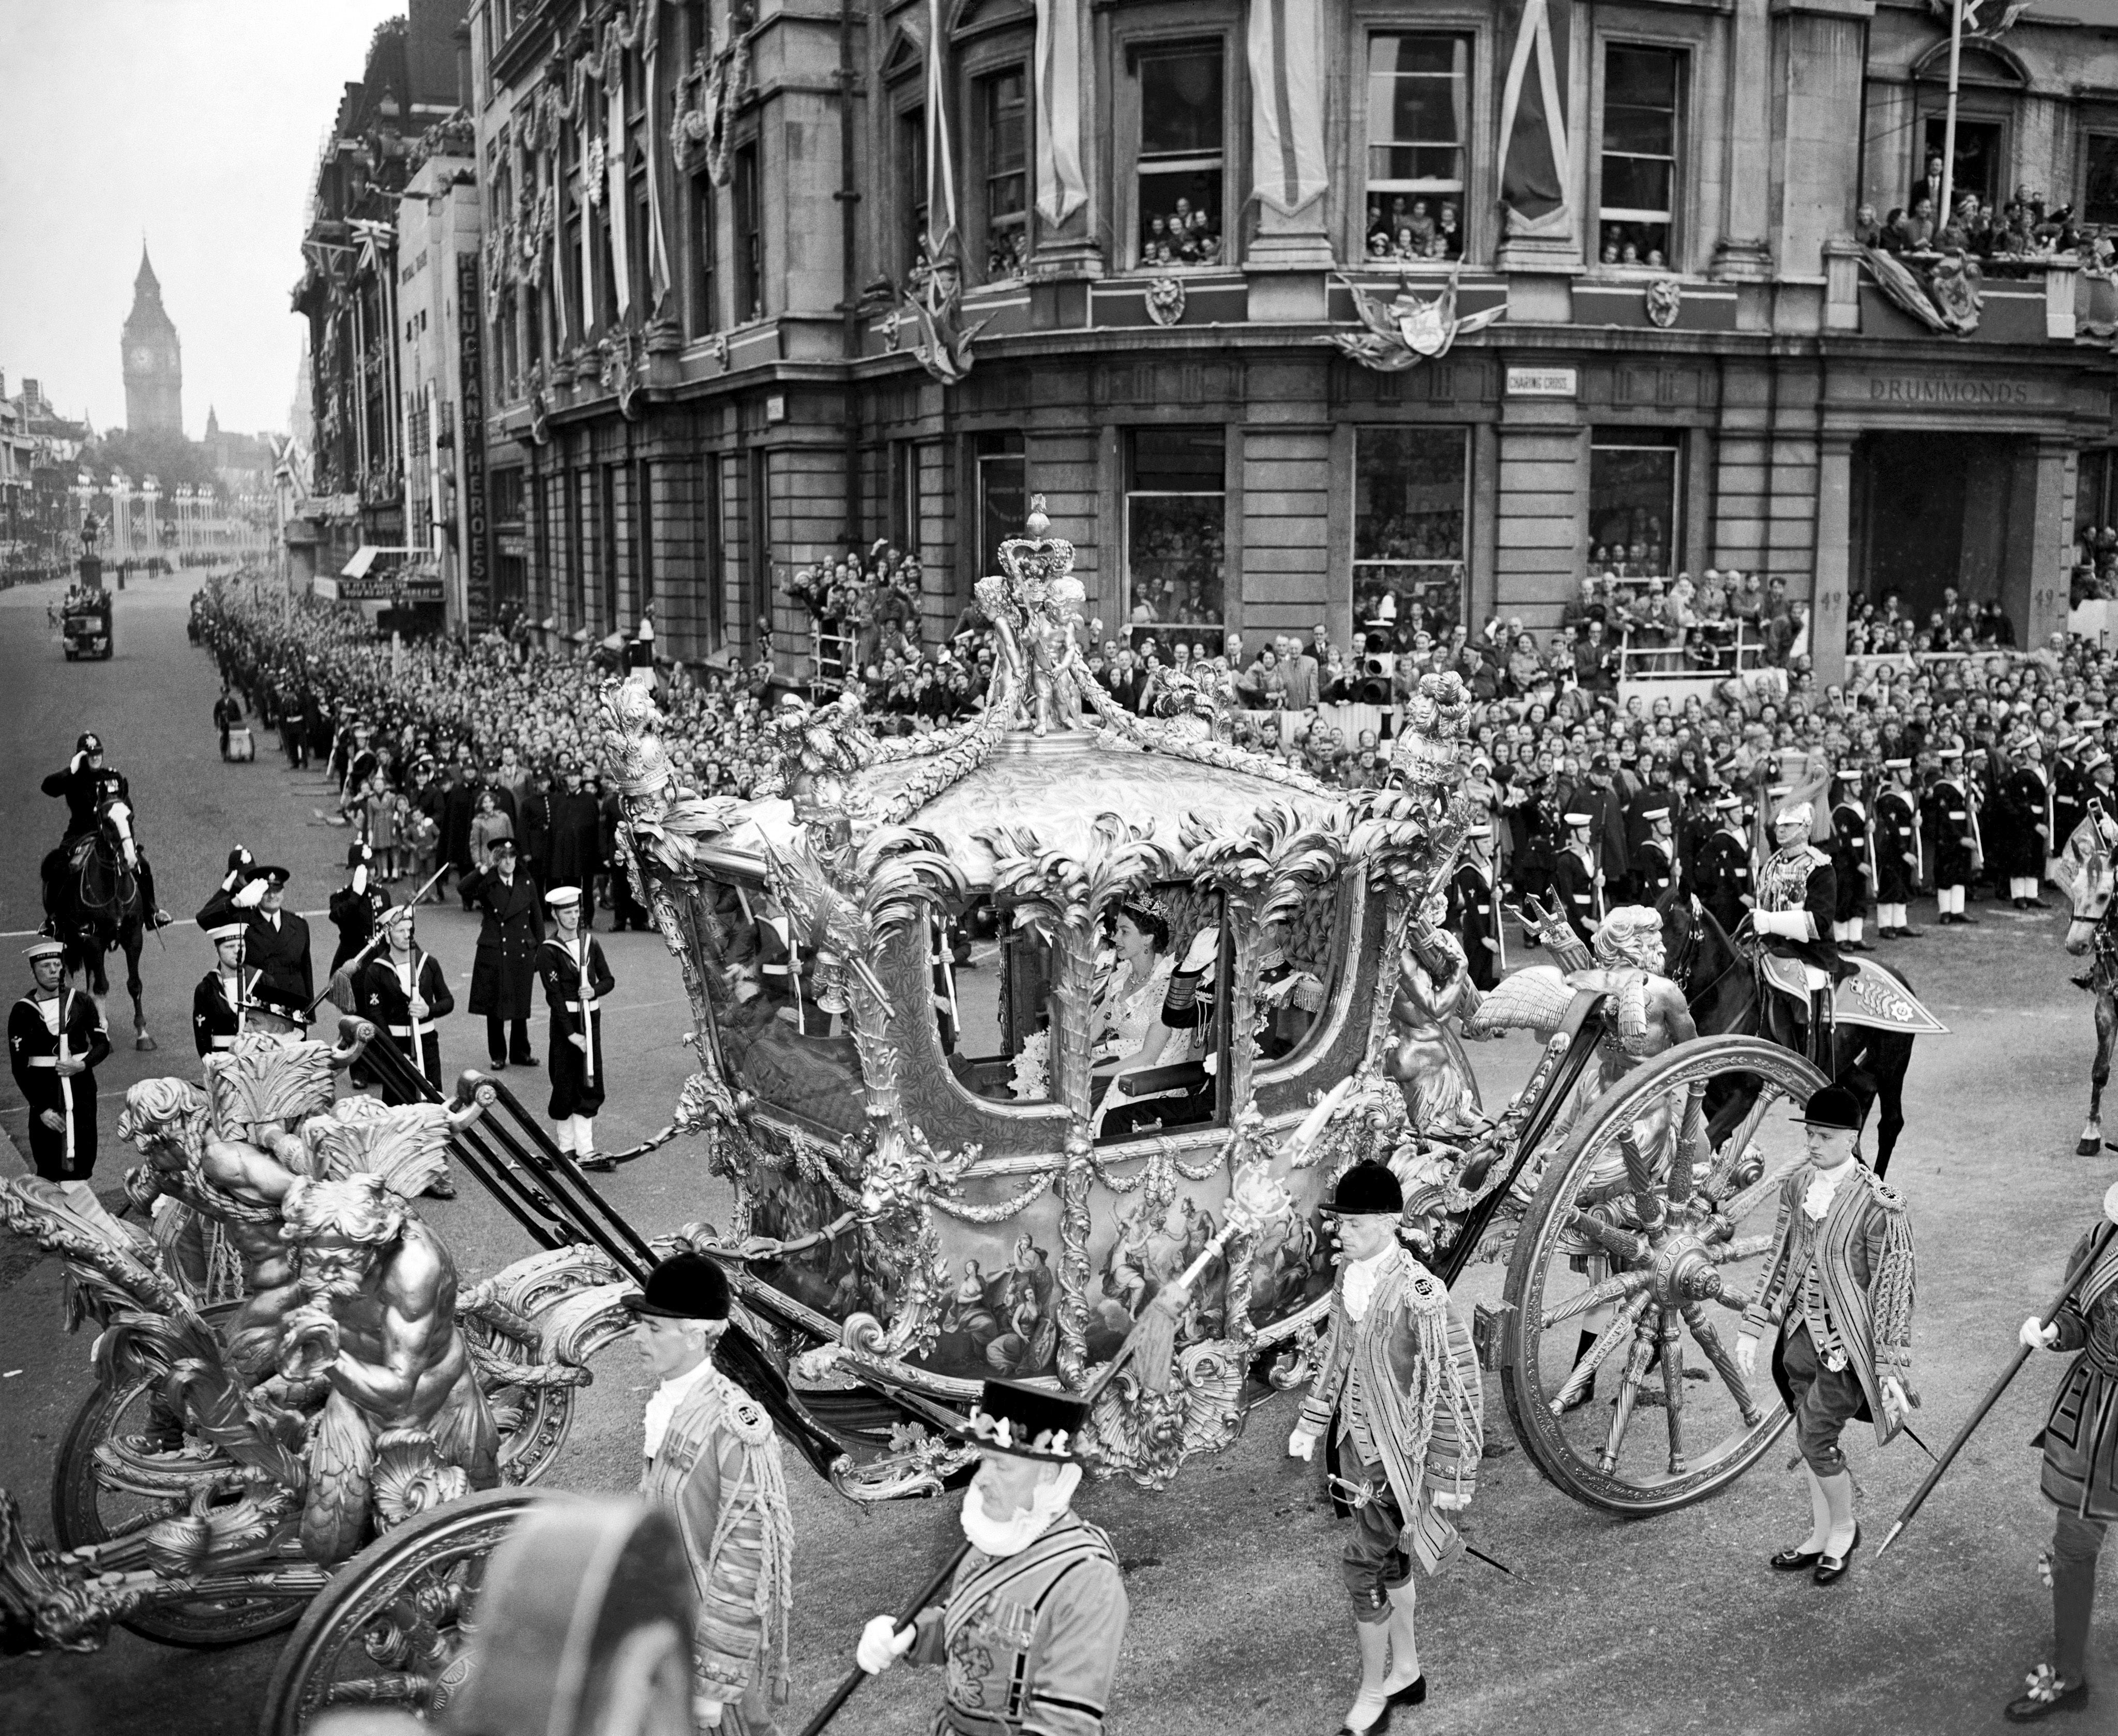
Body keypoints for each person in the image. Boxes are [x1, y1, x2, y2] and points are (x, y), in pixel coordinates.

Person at [1289, 1161, 1482, 1733]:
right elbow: (1336, 1356)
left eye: (1351, 1223)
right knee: (1393, 1557)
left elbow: (1456, 1384)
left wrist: (1450, 1477)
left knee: (1361, 1567)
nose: (1340, 1233)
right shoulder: (1350, 1275)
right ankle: (1408, 1670)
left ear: (1388, 1222)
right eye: (1339, 1223)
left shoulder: (1421, 1292)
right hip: (1354, 1448)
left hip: (1400, 1457)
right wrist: (1311, 1419)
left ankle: (1373, 1691)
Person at [854, 1377, 1128, 1736]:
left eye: (1000, 1466)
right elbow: (974, 1629)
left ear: (1047, 1472)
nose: (980, 1480)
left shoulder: (1090, 1581)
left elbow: (1063, 1727)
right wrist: (912, 1631)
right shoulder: (995, 1538)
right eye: (984, 1461)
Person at [1736, 1085, 1915, 1588]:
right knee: (1807, 1431)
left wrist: (1890, 1368)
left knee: (1815, 1435)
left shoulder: (1879, 1203)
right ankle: (1818, 1532)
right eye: (1810, 1134)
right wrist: (1753, 1323)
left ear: (1852, 1138)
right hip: (1799, 1334)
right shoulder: (1797, 1186)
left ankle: (1843, 1529)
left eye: (1825, 1135)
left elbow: (1892, 1289)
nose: (1813, 1143)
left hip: (1847, 1346)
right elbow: (1778, 1255)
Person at [625, 1251, 794, 1735]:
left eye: (655, 1329)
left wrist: (714, 1684)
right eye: (642, 1324)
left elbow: (746, 1563)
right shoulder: (669, 1406)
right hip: (669, 1640)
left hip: (709, 1659)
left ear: (698, 1335)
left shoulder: (733, 1426)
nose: (638, 1337)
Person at [2007, 1203, 2118, 1723]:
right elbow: (2076, 1309)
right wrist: (2054, 1330)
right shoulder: (2102, 1234)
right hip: (2096, 1410)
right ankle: (2068, 1673)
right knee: (2074, 1543)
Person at [1749, 799, 1848, 1065]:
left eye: (1788, 825)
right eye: (1779, 825)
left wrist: (1771, 922)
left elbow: (1819, 923)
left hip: (1810, 953)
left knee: (1807, 994)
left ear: (1805, 829)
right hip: (1771, 948)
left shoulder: (1821, 868)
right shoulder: (1771, 864)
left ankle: (1809, 1063)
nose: (1780, 830)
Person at [40, 730, 171, 926]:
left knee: (142, 864)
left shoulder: (113, 776)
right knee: (57, 868)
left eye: (99, 753)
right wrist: (70, 769)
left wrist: (128, 839)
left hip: (111, 833)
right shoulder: (73, 778)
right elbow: (48, 788)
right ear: (82, 756)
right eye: (90, 754)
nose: (96, 757)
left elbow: (127, 808)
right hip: (81, 833)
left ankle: (151, 911)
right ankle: (55, 920)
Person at [7, 936, 112, 1181]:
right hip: (45, 1092)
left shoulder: (81, 1002)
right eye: (46, 966)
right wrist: (41, 1108)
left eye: (57, 965)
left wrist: (82, 1064)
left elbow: (102, 1044)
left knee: (83, 1154)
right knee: (48, 1159)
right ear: (34, 971)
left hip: (80, 1089)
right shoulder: (23, 1011)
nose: (54, 971)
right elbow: (19, 1067)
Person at [537, 887, 615, 1168]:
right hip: (565, 1024)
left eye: (575, 911)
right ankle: (566, 1147)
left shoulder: (590, 944)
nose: (573, 917)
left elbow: (609, 980)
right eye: (567, 912)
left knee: (589, 1080)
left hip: (591, 1020)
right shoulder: (548, 952)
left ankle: (586, 1148)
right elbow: (554, 997)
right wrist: (572, 1035)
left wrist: (593, 991)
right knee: (564, 1081)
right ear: (555, 915)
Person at [195, 863, 314, 1029]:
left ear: (283, 891)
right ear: (258, 894)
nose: (272, 896)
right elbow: (204, 918)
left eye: (277, 891)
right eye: (266, 892)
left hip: (294, 1005)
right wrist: (235, 902)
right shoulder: (243, 921)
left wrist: (310, 1009)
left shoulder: (299, 924)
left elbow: (305, 969)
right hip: (260, 1007)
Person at [356, 904, 454, 1098]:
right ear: (387, 935)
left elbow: (448, 1001)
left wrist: (429, 1010)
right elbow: (375, 1015)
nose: (406, 935)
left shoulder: (428, 963)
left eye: (409, 929)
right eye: (400, 930)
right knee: (398, 1103)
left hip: (427, 1043)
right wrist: (396, 1053)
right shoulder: (376, 970)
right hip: (395, 1045)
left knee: (433, 1102)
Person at [462, 837, 542, 1068]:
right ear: (497, 860)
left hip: (521, 948)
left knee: (520, 1003)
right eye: (504, 858)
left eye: (513, 857)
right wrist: (484, 868)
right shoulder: (488, 881)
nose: (509, 862)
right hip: (495, 947)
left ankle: (521, 1053)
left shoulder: (526, 882)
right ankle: (498, 1055)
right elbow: (463, 889)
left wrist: (540, 949)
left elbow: (536, 917)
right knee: (494, 1005)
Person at [1926, 746, 1981, 925]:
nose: (1961, 766)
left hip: (1964, 829)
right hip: (1949, 836)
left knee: (1961, 872)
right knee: (1947, 873)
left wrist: (1975, 807)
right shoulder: (1941, 787)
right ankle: (1945, 911)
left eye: (1961, 763)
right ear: (1947, 767)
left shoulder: (1963, 784)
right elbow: (1943, 818)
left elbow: (1974, 803)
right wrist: (1959, 839)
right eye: (1956, 763)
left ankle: (1958, 910)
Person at [191, 921, 260, 1058]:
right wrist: (209, 1063)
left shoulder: (262, 981)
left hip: (257, 1057)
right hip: (222, 1058)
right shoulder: (207, 989)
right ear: (216, 951)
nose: (237, 951)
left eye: (241, 946)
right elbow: (202, 1035)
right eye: (229, 947)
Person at [1873, 759, 1923, 940]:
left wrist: (1917, 822)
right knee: (1890, 883)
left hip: (1908, 841)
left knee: (1903, 882)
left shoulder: (1909, 794)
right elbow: (1891, 826)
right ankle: (1885, 925)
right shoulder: (1887, 798)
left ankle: (1899, 922)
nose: (1910, 775)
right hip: (1892, 844)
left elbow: (1910, 818)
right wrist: (1903, 851)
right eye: (1906, 772)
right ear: (1895, 775)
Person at [328, 840, 395, 974]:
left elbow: (391, 924)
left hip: (379, 960)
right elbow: (338, 917)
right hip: (354, 960)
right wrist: (356, 895)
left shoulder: (382, 893)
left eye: (372, 867)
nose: (371, 873)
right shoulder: (341, 897)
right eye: (365, 868)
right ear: (353, 870)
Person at [1692, 792, 1754, 935]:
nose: (1741, 815)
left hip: (1738, 893)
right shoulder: (1721, 838)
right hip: (1729, 897)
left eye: (1741, 812)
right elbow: (1728, 868)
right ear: (1726, 816)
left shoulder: (1737, 835)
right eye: (1737, 812)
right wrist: (1741, 895)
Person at [1827, 775, 1874, 952]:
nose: (1860, 787)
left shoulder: (1860, 807)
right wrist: (1857, 863)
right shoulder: (1841, 811)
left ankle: (1855, 937)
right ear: (1846, 787)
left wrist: (1870, 828)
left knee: (1859, 898)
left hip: (1861, 856)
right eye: (1855, 784)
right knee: (1845, 898)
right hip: (1847, 860)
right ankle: (1841, 938)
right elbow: (1845, 842)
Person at [1549, 811, 1604, 944]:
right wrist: (1584, 919)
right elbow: (1567, 895)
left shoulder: (1592, 853)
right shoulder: (1566, 859)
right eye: (1585, 830)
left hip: (1594, 909)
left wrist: (1601, 880)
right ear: (1574, 833)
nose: (1589, 833)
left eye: (1589, 829)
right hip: (1577, 915)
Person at [213, 685, 245, 759]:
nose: (225, 695)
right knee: (225, 736)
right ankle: (224, 751)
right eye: (223, 693)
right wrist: (217, 724)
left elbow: (238, 712)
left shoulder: (233, 702)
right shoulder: (219, 703)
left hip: (234, 723)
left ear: (228, 693)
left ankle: (241, 750)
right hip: (224, 724)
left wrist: (240, 721)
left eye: (226, 693)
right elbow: (216, 714)